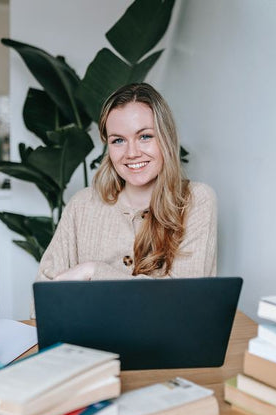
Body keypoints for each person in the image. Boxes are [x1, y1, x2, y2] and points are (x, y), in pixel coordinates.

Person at [36, 82, 217, 282]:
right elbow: (45, 292)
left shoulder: (195, 200)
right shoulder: (82, 204)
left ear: (166, 138)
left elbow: (185, 297)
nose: (131, 153)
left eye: (145, 136)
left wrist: (91, 271)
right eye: (118, 140)